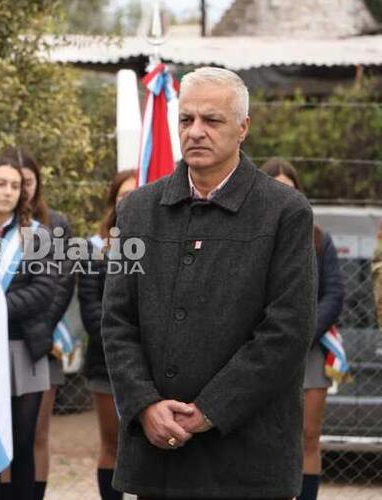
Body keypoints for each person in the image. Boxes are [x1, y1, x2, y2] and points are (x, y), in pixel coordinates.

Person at [101, 66, 316, 499]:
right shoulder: (138, 211)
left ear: (243, 128)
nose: (196, 131)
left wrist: (210, 410)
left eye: (211, 120)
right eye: (186, 119)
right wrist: (144, 404)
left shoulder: (285, 212)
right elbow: (117, 320)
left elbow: (287, 330)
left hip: (247, 460)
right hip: (159, 460)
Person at [262, 158, 345, 500]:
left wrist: (300, 332)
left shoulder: (319, 240)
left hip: (308, 352)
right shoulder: (250, 239)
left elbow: (334, 294)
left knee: (308, 436)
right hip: (263, 352)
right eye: (277, 188)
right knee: (265, 438)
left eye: (291, 190)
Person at [0, 147, 74, 500]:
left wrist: (38, 325)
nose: (18, 191)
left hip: (36, 340)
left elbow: (57, 285)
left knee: (30, 437)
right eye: (10, 183)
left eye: (25, 183)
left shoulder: (51, 226)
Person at [0, 155, 56, 500]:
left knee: (22, 444)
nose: (8, 191)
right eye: (1, 183)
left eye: (16, 185)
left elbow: (43, 289)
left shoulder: (37, 235)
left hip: (22, 348)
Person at [78, 169, 137, 500]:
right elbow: (91, 312)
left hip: (154, 364)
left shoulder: (159, 244)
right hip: (107, 365)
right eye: (123, 195)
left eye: (135, 194)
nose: (128, 201)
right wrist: (125, 345)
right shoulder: (95, 249)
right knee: (112, 444)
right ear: (113, 201)